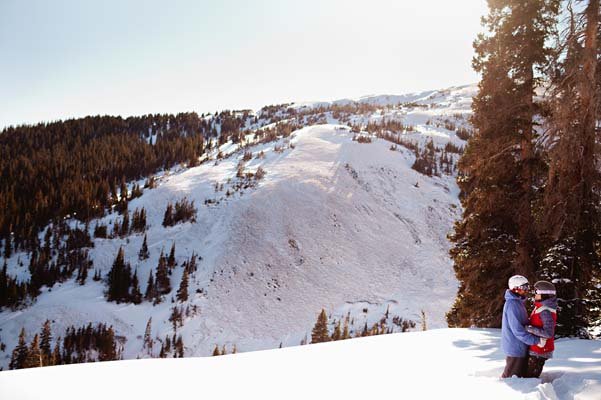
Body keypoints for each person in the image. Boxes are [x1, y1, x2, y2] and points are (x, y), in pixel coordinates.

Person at [501, 275, 545, 378]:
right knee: (512, 378)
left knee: (519, 376)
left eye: (527, 287)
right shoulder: (512, 304)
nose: (526, 290)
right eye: (524, 287)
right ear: (515, 288)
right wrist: (536, 340)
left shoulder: (518, 303)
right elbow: (518, 330)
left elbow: (523, 323)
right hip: (515, 348)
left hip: (520, 346)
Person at [524, 280, 558, 378]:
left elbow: (548, 333)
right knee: (528, 375)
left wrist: (529, 329)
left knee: (530, 378)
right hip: (537, 348)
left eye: (536, 292)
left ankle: (534, 392)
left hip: (540, 351)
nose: (534, 295)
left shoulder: (545, 311)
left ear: (544, 295)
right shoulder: (541, 307)